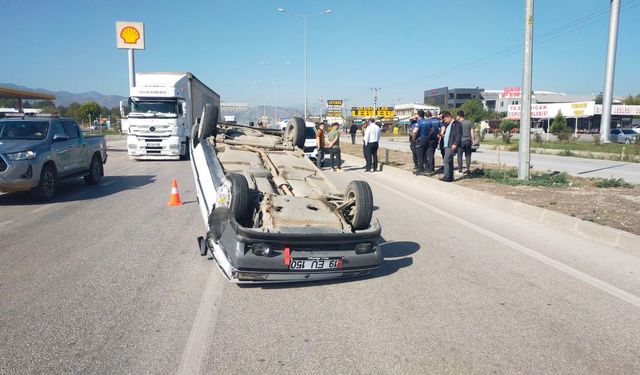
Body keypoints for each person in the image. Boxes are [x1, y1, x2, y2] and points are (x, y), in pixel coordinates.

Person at [440, 111, 462, 182]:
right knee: (450, 162)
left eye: (445, 119)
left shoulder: (457, 124)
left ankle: (447, 177)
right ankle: (451, 177)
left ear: (449, 117)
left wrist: (455, 144)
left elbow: (459, 135)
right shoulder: (448, 124)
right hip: (447, 145)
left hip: (451, 145)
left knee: (446, 161)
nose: (445, 121)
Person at [412, 110, 429, 175]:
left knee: (420, 156)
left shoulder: (419, 122)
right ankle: (427, 169)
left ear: (418, 115)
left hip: (420, 140)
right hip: (427, 140)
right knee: (425, 155)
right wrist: (428, 135)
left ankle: (420, 169)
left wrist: (414, 137)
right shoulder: (427, 121)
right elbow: (432, 129)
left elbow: (414, 131)